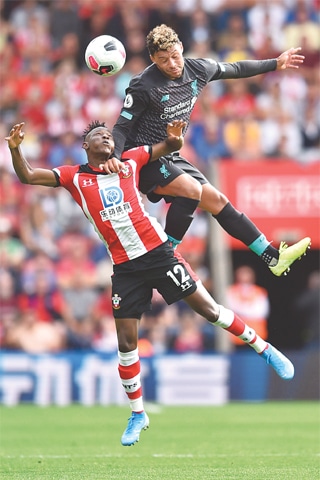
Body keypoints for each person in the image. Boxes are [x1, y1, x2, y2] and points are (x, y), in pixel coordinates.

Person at [6, 120, 294, 448]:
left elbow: (168, 148)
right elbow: (28, 176)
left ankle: (265, 348)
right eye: (96, 135)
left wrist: (174, 137)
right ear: (85, 146)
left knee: (209, 310)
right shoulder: (74, 176)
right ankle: (138, 413)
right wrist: (15, 148)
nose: (104, 137)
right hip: (125, 268)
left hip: (158, 253)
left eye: (106, 134)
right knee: (126, 343)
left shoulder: (131, 160)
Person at [105, 24, 310, 276]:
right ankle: (165, 257)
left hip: (170, 154)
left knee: (217, 201)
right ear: (152, 60)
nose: (171, 64)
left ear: (181, 47)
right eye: (163, 60)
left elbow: (235, 69)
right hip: (144, 157)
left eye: (174, 56)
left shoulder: (198, 69)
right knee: (192, 191)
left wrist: (274, 64)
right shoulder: (142, 85)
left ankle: (272, 257)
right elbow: (121, 128)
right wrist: (114, 158)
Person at [226, 265, 270, 348]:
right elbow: (231, 307)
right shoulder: (231, 290)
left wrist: (242, 308)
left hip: (257, 336)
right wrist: (249, 308)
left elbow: (261, 312)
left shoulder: (260, 292)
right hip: (237, 336)